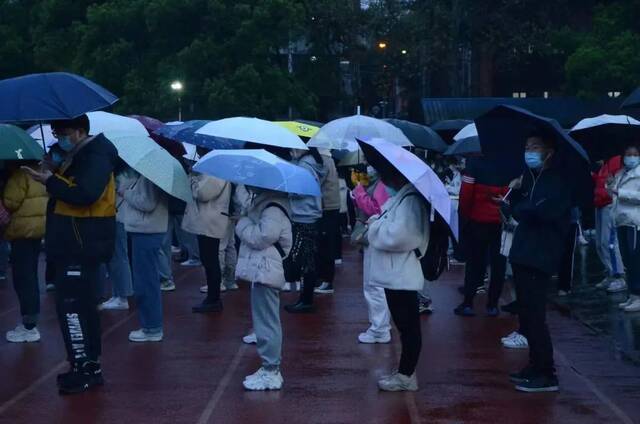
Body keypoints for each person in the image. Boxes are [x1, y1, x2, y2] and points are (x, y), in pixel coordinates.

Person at [23, 115, 117, 395]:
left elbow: (85, 193)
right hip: (74, 242)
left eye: (62, 132)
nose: (58, 137)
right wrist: (53, 172)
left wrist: (51, 180)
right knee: (78, 308)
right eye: (54, 132)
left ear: (79, 131)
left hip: (81, 243)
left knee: (74, 308)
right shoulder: (81, 155)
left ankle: (85, 367)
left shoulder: (96, 155)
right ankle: (83, 366)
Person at [502, 131, 572, 393]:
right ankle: (534, 365)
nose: (528, 151)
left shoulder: (557, 182)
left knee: (535, 316)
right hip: (524, 252)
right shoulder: (532, 179)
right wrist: (516, 194)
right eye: (527, 146)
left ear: (548, 151)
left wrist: (517, 207)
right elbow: (526, 208)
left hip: (540, 254)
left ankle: (546, 372)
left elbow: (541, 211)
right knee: (527, 316)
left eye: (534, 147)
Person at [368, 164, 429, 392]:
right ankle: (405, 371)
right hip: (395, 273)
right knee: (404, 325)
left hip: (401, 274)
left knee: (408, 326)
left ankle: (406, 375)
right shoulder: (404, 198)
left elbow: (402, 236)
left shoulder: (410, 200)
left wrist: (375, 227)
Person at [235, 186, 292, 390]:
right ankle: (269, 367)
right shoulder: (265, 204)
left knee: (267, 320)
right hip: (262, 268)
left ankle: (271, 370)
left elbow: (261, 237)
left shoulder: (272, 209)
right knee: (264, 318)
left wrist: (241, 224)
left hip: (266, 268)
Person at [454, 157, 508, 317]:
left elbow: (465, 195)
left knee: (474, 263)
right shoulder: (508, 165)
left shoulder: (474, 164)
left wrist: (466, 216)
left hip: (477, 221)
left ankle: (468, 303)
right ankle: (492, 305)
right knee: (499, 265)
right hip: (501, 222)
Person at [120, 173, 168, 341]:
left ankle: (151, 327)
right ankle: (151, 325)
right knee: (147, 280)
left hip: (146, 230)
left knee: (145, 281)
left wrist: (125, 193)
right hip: (147, 229)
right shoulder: (149, 175)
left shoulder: (150, 176)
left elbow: (147, 203)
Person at [3, 162, 47, 342]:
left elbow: (10, 201)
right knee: (29, 274)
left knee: (23, 277)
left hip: (22, 230)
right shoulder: (40, 172)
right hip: (36, 228)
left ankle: (29, 326)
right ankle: (30, 322)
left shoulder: (19, 175)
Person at [352, 166, 392, 343]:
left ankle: (379, 329)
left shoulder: (383, 185)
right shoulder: (385, 182)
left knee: (373, 285)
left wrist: (359, 190)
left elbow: (375, 209)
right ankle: (380, 326)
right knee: (376, 284)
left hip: (377, 236)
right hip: (380, 237)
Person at [182, 169, 231, 313]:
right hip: (208, 221)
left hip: (210, 222)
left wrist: (193, 179)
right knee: (208, 260)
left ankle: (213, 299)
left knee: (210, 260)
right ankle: (212, 297)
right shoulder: (214, 172)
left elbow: (202, 194)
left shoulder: (216, 172)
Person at [284, 148, 326, 313]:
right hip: (311, 215)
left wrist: (286, 188)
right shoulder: (314, 164)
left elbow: (300, 190)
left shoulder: (304, 166)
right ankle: (305, 297)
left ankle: (306, 299)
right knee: (308, 260)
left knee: (306, 261)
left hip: (304, 216)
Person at [608, 143, 640, 312]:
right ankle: (632, 295)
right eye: (628, 154)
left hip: (635, 222)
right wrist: (610, 186)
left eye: (635, 154)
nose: (631, 157)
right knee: (627, 259)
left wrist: (622, 193)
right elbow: (613, 195)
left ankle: (638, 295)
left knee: (636, 260)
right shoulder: (620, 173)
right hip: (621, 220)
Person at [99, 163, 134, 310]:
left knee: (118, 258)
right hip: (121, 218)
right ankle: (118, 294)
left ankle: (122, 296)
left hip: (117, 218)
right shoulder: (129, 173)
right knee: (118, 257)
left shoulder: (119, 177)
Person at [593, 156, 626, 292]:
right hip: (599, 203)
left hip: (609, 205)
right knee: (600, 243)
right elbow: (601, 183)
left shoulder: (617, 160)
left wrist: (611, 183)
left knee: (610, 243)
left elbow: (618, 183)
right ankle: (610, 272)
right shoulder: (604, 163)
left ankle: (619, 276)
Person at [315, 150, 341, 295]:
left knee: (324, 245)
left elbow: (318, 180)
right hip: (331, 205)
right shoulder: (329, 158)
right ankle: (325, 279)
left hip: (326, 206)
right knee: (327, 243)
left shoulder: (322, 160)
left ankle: (326, 280)